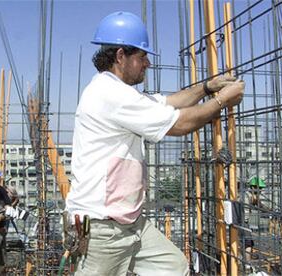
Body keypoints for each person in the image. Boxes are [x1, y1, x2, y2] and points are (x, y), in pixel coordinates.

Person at [65, 11, 245, 275]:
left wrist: (208, 88)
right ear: (120, 56)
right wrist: (221, 102)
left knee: (173, 267)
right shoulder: (109, 94)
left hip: (130, 222)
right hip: (103, 228)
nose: (148, 63)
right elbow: (179, 123)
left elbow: (170, 102)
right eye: (142, 56)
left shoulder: (121, 93)